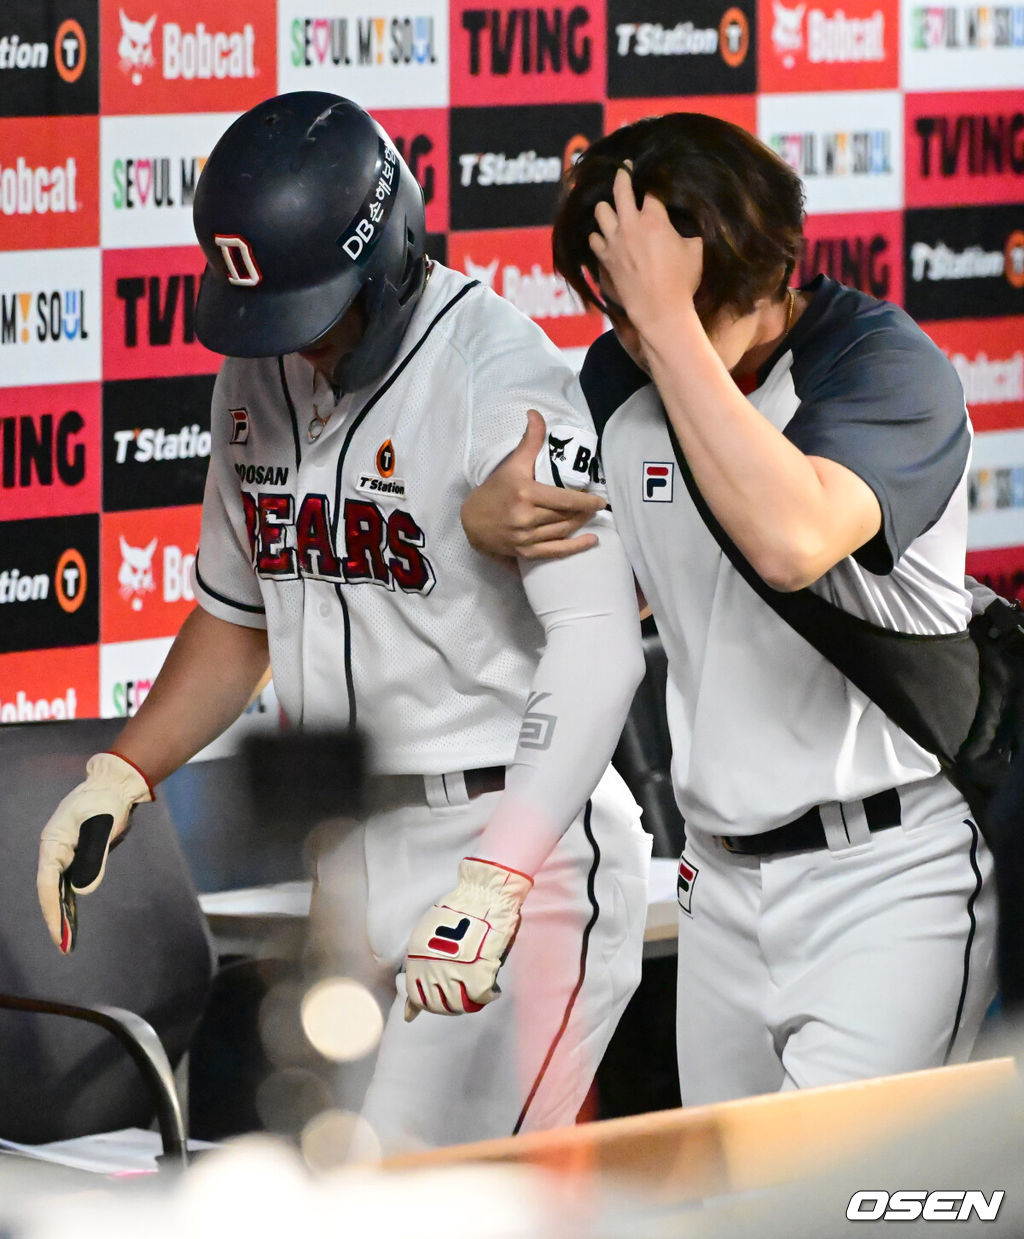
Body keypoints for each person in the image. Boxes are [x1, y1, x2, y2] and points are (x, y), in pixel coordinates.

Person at [35, 92, 652, 1152]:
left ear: (389, 255)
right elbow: (239, 616)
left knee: (416, 1190)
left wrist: (499, 876)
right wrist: (122, 774)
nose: (293, 344)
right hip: (349, 850)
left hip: (510, 837)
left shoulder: (502, 381)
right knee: (335, 1180)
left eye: (311, 312)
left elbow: (599, 652)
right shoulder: (258, 367)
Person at [461, 111, 998, 1103]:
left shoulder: (883, 365)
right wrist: (493, 512)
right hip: (714, 883)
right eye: (610, 301)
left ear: (734, 271)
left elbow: (791, 540)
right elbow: (548, 536)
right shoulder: (618, 376)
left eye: (639, 293)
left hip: (883, 878)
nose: (617, 324)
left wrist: (668, 327)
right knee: (736, 1202)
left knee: (837, 1203)